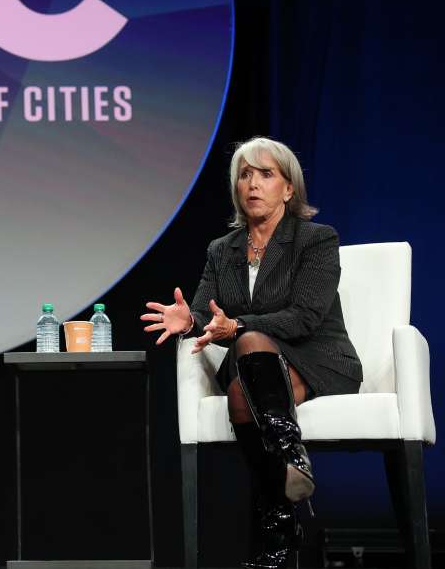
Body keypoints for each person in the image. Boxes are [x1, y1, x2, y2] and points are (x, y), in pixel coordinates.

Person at [142, 137, 362, 569]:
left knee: (246, 350)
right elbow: (208, 313)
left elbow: (304, 317)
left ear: (288, 189)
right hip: (260, 371)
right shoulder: (221, 251)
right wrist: (188, 322)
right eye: (245, 175)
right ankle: (288, 474)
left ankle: (280, 516)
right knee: (243, 385)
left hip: (318, 358)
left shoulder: (316, 240)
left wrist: (239, 326)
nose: (253, 184)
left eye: (266, 174)